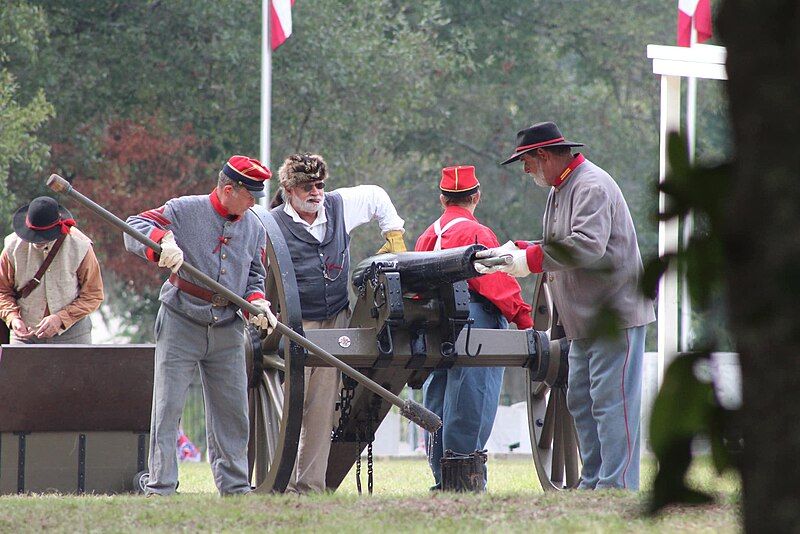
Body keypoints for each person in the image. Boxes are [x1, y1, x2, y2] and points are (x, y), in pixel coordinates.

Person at [479, 121, 656, 490]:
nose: (526, 171)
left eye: (526, 162)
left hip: (614, 315)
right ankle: (593, 483)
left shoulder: (590, 185)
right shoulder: (562, 188)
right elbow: (556, 244)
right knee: (581, 401)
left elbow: (587, 245)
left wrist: (530, 260)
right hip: (581, 320)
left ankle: (617, 487)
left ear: (543, 155)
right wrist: (516, 251)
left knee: (612, 405)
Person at [124, 155, 277, 496]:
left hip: (227, 328)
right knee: (168, 408)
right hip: (181, 319)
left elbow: (255, 275)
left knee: (233, 412)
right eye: (250, 195)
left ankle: (235, 487)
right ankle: (161, 486)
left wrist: (257, 302)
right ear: (228, 189)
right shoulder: (183, 209)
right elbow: (135, 225)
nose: (254, 203)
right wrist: (163, 241)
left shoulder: (255, 227)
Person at [269, 153, 406, 494]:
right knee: (291, 405)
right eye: (306, 187)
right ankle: (278, 482)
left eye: (319, 185)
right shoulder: (269, 223)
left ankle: (311, 486)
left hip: (335, 319)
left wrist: (394, 233)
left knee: (322, 406)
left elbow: (376, 196)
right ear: (288, 189)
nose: (315, 193)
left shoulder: (339, 205)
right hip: (295, 325)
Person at [415, 165, 533, 490]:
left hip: (435, 326)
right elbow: (496, 283)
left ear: (442, 199)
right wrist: (524, 318)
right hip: (475, 323)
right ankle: (464, 484)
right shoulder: (476, 233)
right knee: (472, 403)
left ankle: (443, 479)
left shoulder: (428, 235)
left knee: (438, 402)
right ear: (476, 197)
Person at [0, 196, 104, 344]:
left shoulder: (81, 246)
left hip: (72, 334)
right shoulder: (12, 248)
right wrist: (13, 318)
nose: (38, 241)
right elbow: (2, 291)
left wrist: (61, 318)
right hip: (25, 335)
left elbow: (93, 294)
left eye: (43, 237)